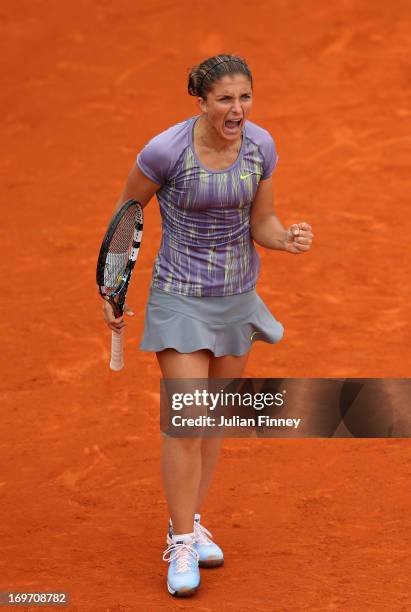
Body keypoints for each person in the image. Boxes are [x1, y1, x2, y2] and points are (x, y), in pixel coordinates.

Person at [102, 53, 314, 597]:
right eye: (225, 98)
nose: (237, 108)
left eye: (244, 97)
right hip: (180, 299)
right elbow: (129, 213)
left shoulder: (260, 146)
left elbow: (261, 220)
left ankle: (191, 523)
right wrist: (113, 286)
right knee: (187, 417)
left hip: (237, 299)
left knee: (213, 418)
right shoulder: (165, 151)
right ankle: (179, 539)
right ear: (201, 101)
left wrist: (283, 237)